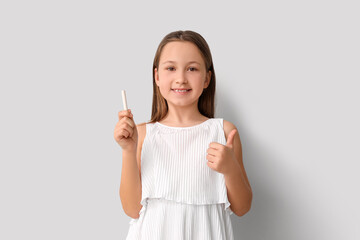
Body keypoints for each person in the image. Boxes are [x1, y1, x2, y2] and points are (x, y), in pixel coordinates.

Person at [114, 30, 252, 240]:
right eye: (171, 68)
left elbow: (242, 207)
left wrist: (230, 169)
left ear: (207, 78)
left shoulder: (223, 132)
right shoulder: (141, 134)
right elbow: (132, 209)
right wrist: (128, 150)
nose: (181, 78)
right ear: (157, 77)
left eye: (192, 69)